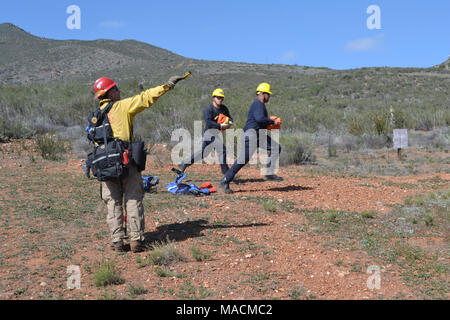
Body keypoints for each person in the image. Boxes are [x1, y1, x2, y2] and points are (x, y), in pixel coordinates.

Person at [92, 74, 188, 252]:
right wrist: (167, 85)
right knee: (133, 198)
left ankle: (117, 241)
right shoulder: (121, 106)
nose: (119, 91)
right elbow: (146, 98)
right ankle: (136, 240)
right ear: (110, 93)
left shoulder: (95, 117)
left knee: (112, 202)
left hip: (104, 166)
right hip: (126, 162)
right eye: (116, 88)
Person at [218, 82, 283, 194]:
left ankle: (269, 172)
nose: (269, 97)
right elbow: (259, 118)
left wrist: (269, 124)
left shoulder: (260, 105)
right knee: (243, 160)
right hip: (251, 135)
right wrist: (273, 121)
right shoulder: (258, 104)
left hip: (258, 135)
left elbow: (261, 120)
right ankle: (225, 180)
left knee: (276, 147)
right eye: (268, 94)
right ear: (262, 94)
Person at [178, 88, 233, 175]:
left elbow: (230, 118)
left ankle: (184, 163)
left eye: (221, 98)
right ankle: (226, 172)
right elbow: (208, 121)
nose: (220, 99)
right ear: (213, 98)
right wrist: (220, 125)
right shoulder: (209, 109)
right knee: (222, 149)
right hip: (209, 133)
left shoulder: (224, 108)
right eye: (218, 97)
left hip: (216, 133)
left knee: (204, 153)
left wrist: (229, 122)